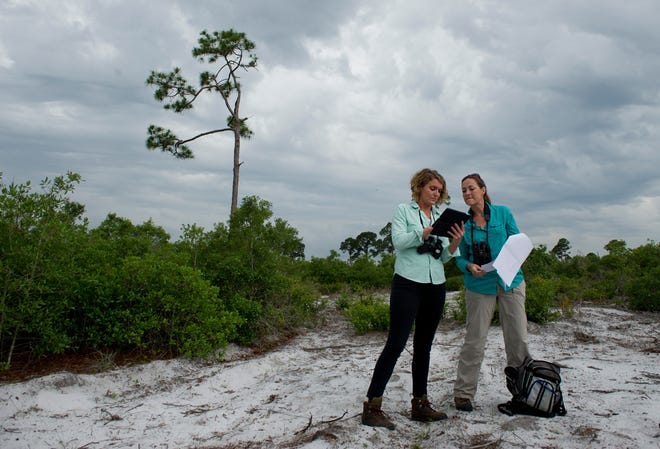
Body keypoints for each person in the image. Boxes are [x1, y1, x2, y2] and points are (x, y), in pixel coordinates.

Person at [362, 168, 464, 430]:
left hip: (435, 284)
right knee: (395, 343)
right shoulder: (403, 211)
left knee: (424, 346)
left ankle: (420, 403)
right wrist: (424, 232)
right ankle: (372, 406)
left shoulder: (443, 216)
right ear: (419, 187)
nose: (436, 193)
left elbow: (442, 256)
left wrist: (453, 243)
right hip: (407, 283)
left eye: (439, 190)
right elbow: (398, 241)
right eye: (432, 188)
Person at [452, 173, 530, 412]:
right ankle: (463, 394)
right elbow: (458, 256)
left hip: (510, 281)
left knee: (517, 338)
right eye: (463, 190)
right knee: (474, 339)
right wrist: (468, 266)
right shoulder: (462, 223)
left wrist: (509, 262)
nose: (467, 193)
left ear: (483, 190)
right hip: (479, 285)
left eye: (471, 188)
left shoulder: (503, 213)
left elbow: (517, 241)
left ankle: (523, 394)